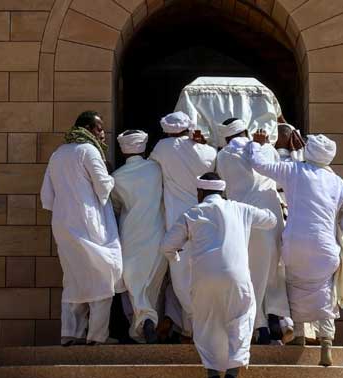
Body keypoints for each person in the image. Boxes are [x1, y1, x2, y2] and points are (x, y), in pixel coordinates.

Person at [247, 132, 343, 366]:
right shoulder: (337, 182)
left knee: (294, 289)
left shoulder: (293, 170)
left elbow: (258, 164)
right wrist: (339, 230)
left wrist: (257, 144)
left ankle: (298, 336)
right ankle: (326, 340)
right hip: (325, 246)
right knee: (325, 292)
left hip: (296, 244)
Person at [162, 173, 277, 378]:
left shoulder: (192, 213)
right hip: (237, 278)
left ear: (200, 193)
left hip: (204, 278)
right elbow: (271, 220)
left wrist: (175, 256)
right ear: (222, 192)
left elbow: (166, 245)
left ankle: (213, 375)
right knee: (241, 321)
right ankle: (231, 377)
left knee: (206, 323)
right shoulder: (240, 209)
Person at [40, 111, 123, 346]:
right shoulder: (89, 151)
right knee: (103, 274)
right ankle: (97, 336)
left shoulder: (57, 154)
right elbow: (103, 185)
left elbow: (46, 196)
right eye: (99, 128)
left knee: (74, 278)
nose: (102, 133)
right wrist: (112, 175)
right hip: (89, 223)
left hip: (63, 225)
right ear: (87, 128)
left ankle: (70, 333)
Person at [216, 118, 291, 345]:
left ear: (227, 137)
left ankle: (260, 326)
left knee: (250, 274)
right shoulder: (267, 149)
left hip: (245, 220)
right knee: (275, 270)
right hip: (272, 217)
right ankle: (277, 319)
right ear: (246, 132)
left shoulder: (223, 156)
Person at [149, 111, 217, 338]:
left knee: (180, 277)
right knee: (204, 274)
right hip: (206, 220)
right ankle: (194, 328)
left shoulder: (162, 148)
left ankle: (196, 323)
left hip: (178, 223)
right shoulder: (209, 151)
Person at [111, 130, 168, 344]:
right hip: (157, 232)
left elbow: (115, 206)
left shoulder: (116, 177)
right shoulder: (156, 169)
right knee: (154, 282)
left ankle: (143, 323)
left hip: (130, 235)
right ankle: (149, 321)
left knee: (133, 282)